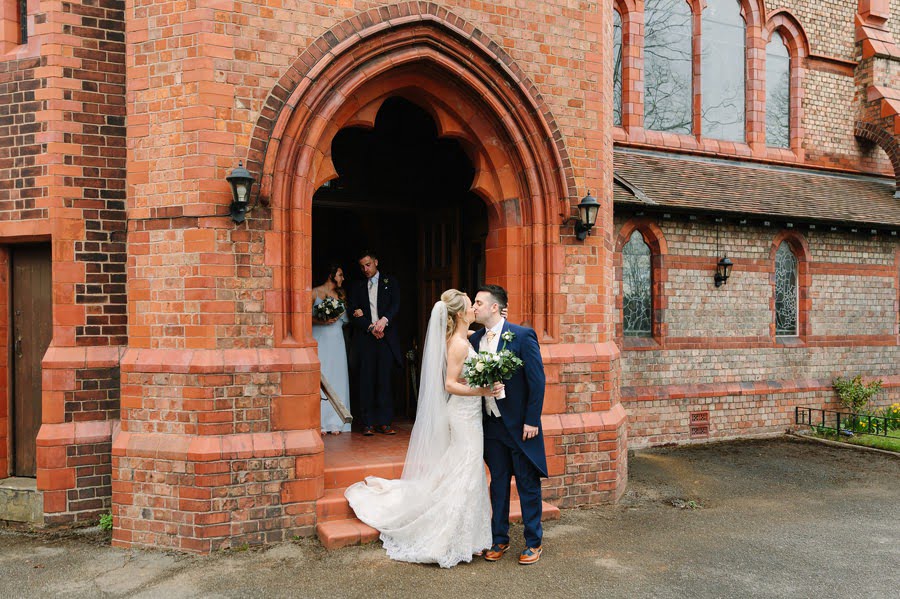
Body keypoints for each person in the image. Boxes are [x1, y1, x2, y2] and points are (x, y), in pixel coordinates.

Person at [344, 290, 503, 568]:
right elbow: (450, 384)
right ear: (458, 314)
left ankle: (471, 536)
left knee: (466, 468)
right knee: (466, 469)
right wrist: (484, 390)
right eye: (470, 306)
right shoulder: (458, 344)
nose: (474, 310)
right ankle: (449, 536)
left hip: (469, 414)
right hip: (463, 415)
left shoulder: (464, 340)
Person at [470, 284, 547, 565]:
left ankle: (533, 542)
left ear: (494, 307)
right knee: (498, 484)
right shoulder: (474, 339)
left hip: (519, 425)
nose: (474, 307)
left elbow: (537, 381)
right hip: (491, 426)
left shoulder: (523, 336)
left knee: (527, 484)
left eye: (478, 302)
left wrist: (531, 420)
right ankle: (499, 538)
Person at [348, 251, 401, 436]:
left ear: (376, 262)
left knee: (384, 379)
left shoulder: (390, 282)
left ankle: (385, 422)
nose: (366, 269)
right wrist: (370, 327)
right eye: (362, 266)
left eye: (368, 264)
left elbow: (396, 305)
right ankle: (368, 423)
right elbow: (353, 311)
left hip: (386, 337)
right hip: (366, 338)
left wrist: (383, 321)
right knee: (367, 379)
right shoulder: (357, 286)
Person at [312, 265, 351, 435]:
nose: (342, 278)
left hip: (336, 339)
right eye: (340, 275)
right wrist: (321, 320)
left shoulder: (341, 295)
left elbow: (346, 320)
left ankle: (337, 420)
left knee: (337, 375)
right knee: (322, 374)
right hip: (319, 337)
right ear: (331, 275)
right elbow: (303, 316)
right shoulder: (314, 292)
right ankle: (319, 420)